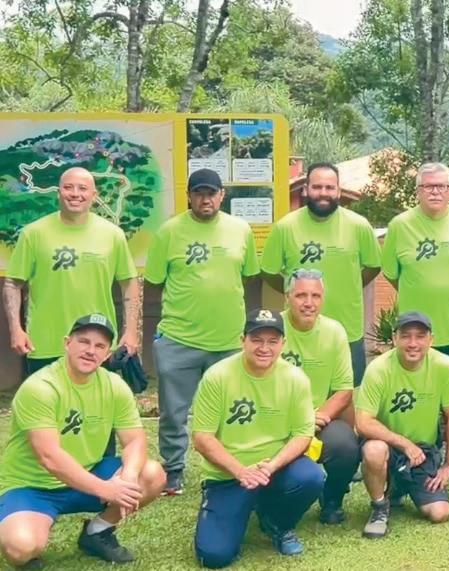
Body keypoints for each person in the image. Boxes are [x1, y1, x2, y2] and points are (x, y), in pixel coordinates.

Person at [0, 314, 165, 568]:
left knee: (151, 474)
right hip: (32, 485)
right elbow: (49, 457)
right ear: (67, 343)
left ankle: (96, 532)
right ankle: (31, 522)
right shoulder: (41, 387)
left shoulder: (114, 386)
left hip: (88, 474)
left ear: (107, 353)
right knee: (20, 547)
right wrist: (108, 490)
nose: (90, 351)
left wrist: (129, 478)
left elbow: (135, 441)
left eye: (99, 346)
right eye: (84, 342)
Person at [145, 168, 261, 495]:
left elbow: (249, 277)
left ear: (222, 195)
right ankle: (173, 470)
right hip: (179, 339)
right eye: (198, 193)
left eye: (211, 193)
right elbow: (154, 283)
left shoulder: (241, 230)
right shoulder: (168, 232)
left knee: (233, 412)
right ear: (189, 196)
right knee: (173, 413)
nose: (205, 199)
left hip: (229, 340)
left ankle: (230, 470)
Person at [191, 310, 324, 568]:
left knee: (311, 477)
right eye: (257, 340)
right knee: (213, 556)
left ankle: (278, 523)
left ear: (283, 344)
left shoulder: (295, 379)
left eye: (272, 341)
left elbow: (303, 434)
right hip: (229, 475)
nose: (264, 348)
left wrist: (271, 466)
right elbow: (202, 438)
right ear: (243, 340)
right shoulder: (217, 376)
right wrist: (241, 471)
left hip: (274, 469)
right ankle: (239, 507)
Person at [5, 168, 142, 377]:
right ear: (58, 192)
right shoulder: (33, 234)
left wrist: (131, 332)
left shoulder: (113, 235)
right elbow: (13, 284)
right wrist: (15, 329)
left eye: (82, 188)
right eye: (68, 187)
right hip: (44, 343)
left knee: (96, 400)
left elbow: (129, 283)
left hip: (97, 345)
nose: (75, 194)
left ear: (94, 195)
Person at [261, 162, 381, 385]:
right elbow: (268, 272)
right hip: (298, 333)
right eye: (317, 187)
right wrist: (292, 291)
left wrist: (350, 285)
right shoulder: (285, 227)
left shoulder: (359, 226)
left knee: (347, 396)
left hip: (347, 330)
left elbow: (374, 266)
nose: (323, 193)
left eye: (329, 187)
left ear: (338, 190)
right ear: (306, 189)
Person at [354, 311, 449, 538]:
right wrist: (404, 443)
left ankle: (397, 487)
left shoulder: (443, 366)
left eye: (420, 336)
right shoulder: (378, 369)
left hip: (423, 453)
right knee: (374, 450)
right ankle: (379, 507)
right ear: (394, 339)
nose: (413, 343)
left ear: (431, 340)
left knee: (439, 512)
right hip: (388, 446)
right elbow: (363, 422)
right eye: (405, 336)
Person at [381, 162, 449, 361]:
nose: (435, 192)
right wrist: (421, 289)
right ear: (417, 191)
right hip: (415, 335)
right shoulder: (399, 226)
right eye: (428, 186)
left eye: (441, 186)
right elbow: (391, 274)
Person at [280, 269, 360, 524]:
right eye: (301, 295)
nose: (308, 303)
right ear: (287, 297)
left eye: (315, 296)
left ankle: (332, 499)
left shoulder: (334, 332)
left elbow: (344, 390)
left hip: (319, 417)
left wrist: (315, 418)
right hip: (276, 418)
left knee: (345, 444)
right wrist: (299, 422)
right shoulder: (273, 329)